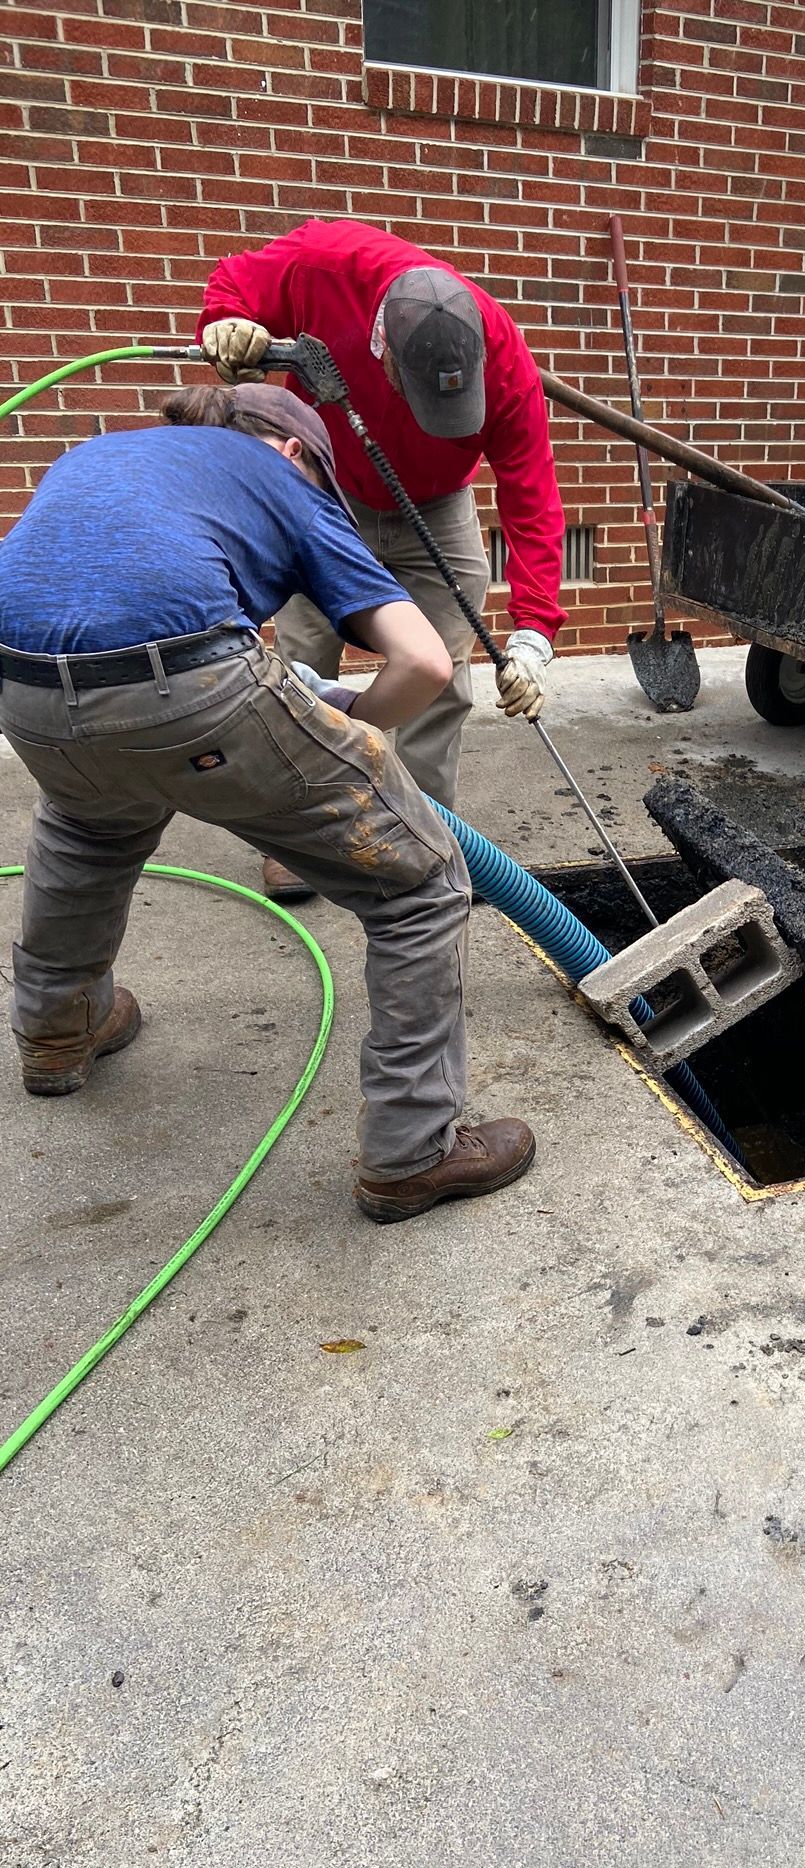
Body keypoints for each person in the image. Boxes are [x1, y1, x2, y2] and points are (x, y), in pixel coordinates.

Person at [0, 382, 536, 1223]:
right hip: (189, 687)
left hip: (22, 686)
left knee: (88, 824)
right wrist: (348, 728)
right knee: (419, 884)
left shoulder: (99, 453)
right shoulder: (284, 479)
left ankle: (58, 1033)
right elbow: (424, 664)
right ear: (293, 450)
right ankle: (413, 1153)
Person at [198, 218, 568, 901]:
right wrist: (227, 322)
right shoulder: (325, 264)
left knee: (442, 674)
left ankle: (424, 835)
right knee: (302, 664)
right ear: (381, 350)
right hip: (327, 491)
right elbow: (233, 281)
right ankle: (304, 835)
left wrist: (533, 634)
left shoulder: (506, 359)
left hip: (438, 505)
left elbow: (532, 497)